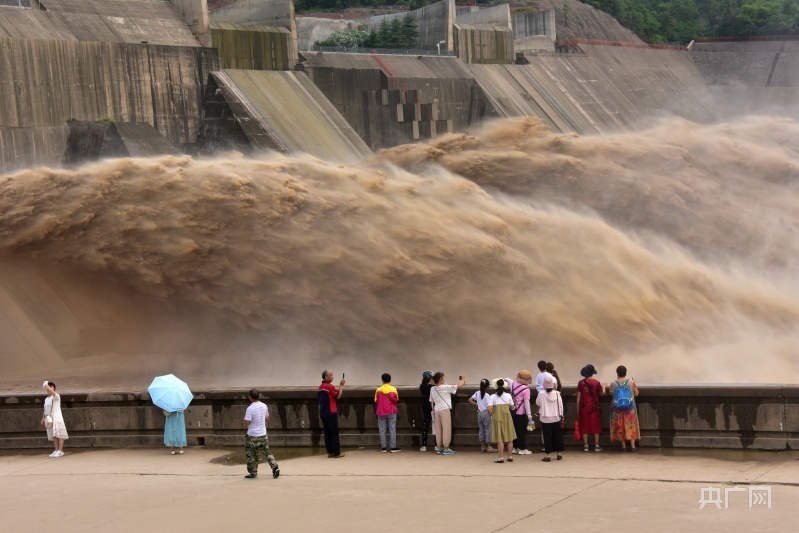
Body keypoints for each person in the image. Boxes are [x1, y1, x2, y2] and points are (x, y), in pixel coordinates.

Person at [243, 388, 279, 479]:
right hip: (263, 434)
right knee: (267, 452)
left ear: (250, 397)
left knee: (251, 455)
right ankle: (274, 466)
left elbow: (247, 422)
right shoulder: (264, 406)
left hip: (252, 436)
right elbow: (267, 418)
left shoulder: (250, 408)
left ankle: (253, 473)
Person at [429, 372, 465, 455]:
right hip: (445, 409)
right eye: (443, 377)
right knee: (446, 429)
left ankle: (439, 447)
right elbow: (459, 386)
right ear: (441, 379)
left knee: (438, 429)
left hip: (436, 410)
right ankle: (446, 448)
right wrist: (463, 380)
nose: (444, 379)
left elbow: (431, 401)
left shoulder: (432, 389)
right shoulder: (446, 387)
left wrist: (433, 411)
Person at [608, 365, 640, 452]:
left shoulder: (613, 383)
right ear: (626, 372)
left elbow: (611, 393)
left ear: (617, 373)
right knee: (630, 425)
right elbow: (636, 393)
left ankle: (623, 446)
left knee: (619, 426)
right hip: (629, 408)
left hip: (617, 408)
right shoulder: (631, 382)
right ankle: (633, 446)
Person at [487, 379, 516, 463]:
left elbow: (489, 408)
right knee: (509, 438)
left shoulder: (492, 396)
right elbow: (513, 407)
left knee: (500, 439)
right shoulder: (508, 395)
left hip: (497, 417)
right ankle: (510, 456)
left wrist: (492, 411)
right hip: (507, 417)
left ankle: (501, 457)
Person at [536, 375, 564, 462]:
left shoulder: (541, 394)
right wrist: (562, 416)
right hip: (556, 417)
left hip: (545, 418)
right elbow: (561, 406)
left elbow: (538, 403)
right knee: (558, 436)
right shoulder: (557, 394)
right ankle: (559, 453)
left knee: (547, 437)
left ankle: (548, 455)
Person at [318, 370, 346, 458]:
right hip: (331, 412)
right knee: (334, 432)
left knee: (327, 432)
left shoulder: (321, 387)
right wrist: (341, 386)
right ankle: (337, 452)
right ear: (326, 377)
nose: (332, 376)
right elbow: (338, 396)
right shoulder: (329, 386)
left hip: (323, 412)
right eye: (331, 375)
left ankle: (329, 452)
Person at [576, 364, 603, 452]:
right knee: (596, 425)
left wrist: (578, 408)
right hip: (594, 406)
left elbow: (578, 397)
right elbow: (601, 394)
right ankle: (596, 445)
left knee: (584, 425)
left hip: (583, 406)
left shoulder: (581, 383)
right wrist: (604, 386)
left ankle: (586, 446)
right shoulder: (596, 382)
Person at [506, 370, 533, 455]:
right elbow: (527, 403)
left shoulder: (512, 384)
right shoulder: (526, 389)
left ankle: (515, 447)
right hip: (520, 413)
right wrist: (529, 415)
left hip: (512, 411)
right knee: (520, 431)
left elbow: (507, 379)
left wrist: (505, 379)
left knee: (514, 430)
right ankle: (522, 448)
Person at [41, 382, 68, 457]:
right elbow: (45, 409)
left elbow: (52, 392)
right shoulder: (46, 399)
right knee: (54, 435)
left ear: (54, 388)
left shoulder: (56, 396)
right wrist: (43, 418)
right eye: (48, 389)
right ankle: (56, 450)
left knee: (59, 433)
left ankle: (60, 450)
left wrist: (46, 385)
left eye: (51, 388)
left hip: (57, 417)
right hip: (50, 418)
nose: (49, 390)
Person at [375, 373, 400, 452]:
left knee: (382, 430)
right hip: (391, 411)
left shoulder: (378, 389)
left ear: (382, 380)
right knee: (392, 429)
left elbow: (376, 400)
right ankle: (393, 447)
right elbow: (396, 399)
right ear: (390, 380)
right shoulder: (393, 389)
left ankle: (383, 448)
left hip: (381, 411)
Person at [468, 379, 495, 453]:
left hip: (479, 413)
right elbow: (489, 407)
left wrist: (477, 405)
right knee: (488, 429)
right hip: (486, 413)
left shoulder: (477, 393)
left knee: (481, 429)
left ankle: (483, 446)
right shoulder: (487, 395)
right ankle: (489, 446)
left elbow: (470, 399)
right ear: (487, 387)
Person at [419, 370, 434, 452]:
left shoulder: (421, 386)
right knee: (435, 427)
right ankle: (436, 445)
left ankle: (424, 445)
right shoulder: (432, 387)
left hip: (425, 407)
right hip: (432, 407)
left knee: (425, 427)